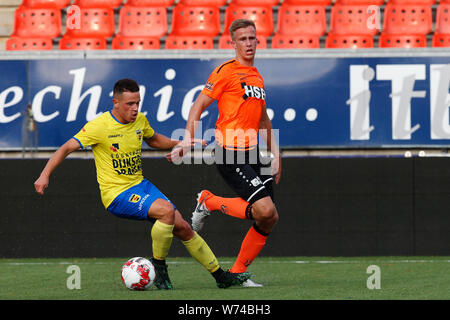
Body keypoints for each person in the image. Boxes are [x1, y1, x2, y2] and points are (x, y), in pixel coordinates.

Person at [34, 78, 251, 290]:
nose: (135, 108)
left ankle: (220, 276)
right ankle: (159, 267)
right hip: (117, 194)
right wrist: (44, 175)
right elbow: (65, 148)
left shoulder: (140, 120)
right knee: (166, 211)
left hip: (141, 185)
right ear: (116, 103)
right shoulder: (99, 126)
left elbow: (153, 139)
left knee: (183, 227)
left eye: (137, 103)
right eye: (130, 104)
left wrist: (180, 143)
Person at [170, 19, 281, 287]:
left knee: (269, 216)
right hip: (229, 150)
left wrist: (276, 155)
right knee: (264, 209)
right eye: (242, 39)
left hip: (255, 151)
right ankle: (207, 203)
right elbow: (198, 105)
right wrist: (187, 139)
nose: (249, 43)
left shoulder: (256, 76)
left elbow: (263, 120)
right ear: (233, 43)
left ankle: (237, 273)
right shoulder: (224, 72)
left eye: (252, 38)